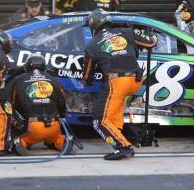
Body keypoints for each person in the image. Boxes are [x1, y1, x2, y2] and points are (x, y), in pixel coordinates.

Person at [83, 8, 157, 160]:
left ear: (93, 25)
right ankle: (117, 137)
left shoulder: (91, 45)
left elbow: (87, 76)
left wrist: (89, 78)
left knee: (99, 121)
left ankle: (122, 146)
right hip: (136, 80)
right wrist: (152, 35)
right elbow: (151, 42)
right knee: (113, 113)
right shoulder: (126, 32)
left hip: (118, 82)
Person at [9, 55, 72, 156]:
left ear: (27, 66)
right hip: (53, 126)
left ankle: (19, 142)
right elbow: (62, 103)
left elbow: (10, 103)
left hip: (33, 128)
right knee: (57, 137)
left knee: (8, 110)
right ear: (44, 66)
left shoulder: (18, 80)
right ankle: (62, 140)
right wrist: (61, 115)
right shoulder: (54, 80)